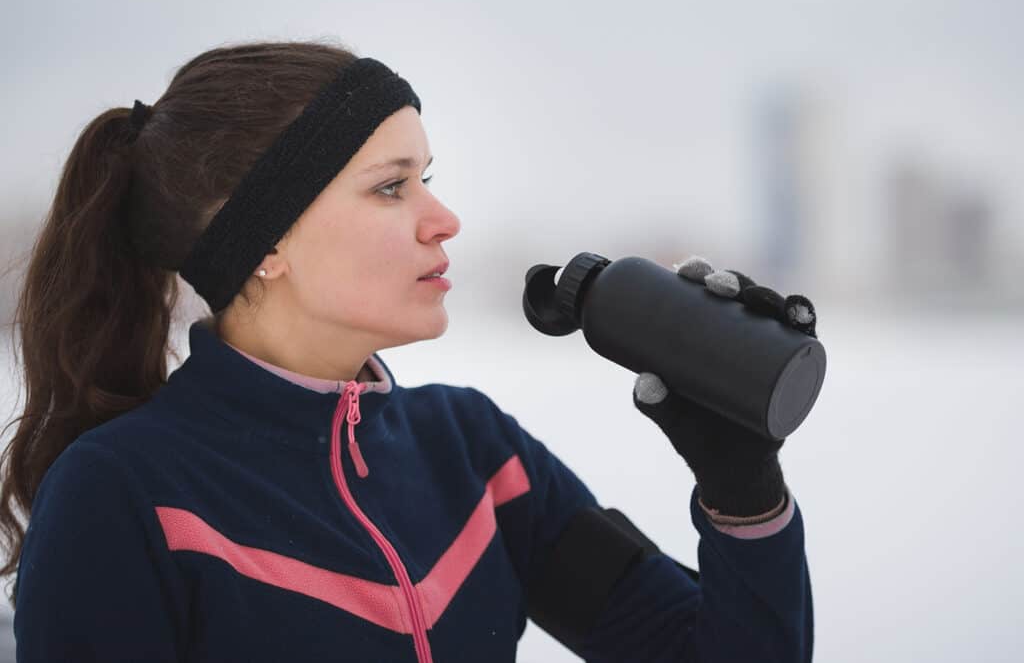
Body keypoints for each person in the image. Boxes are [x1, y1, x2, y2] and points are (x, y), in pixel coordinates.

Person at [0, 40, 814, 662]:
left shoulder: (476, 458)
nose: (443, 219)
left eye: (428, 177)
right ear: (261, 240)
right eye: (392, 186)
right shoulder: (124, 496)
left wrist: (742, 492)